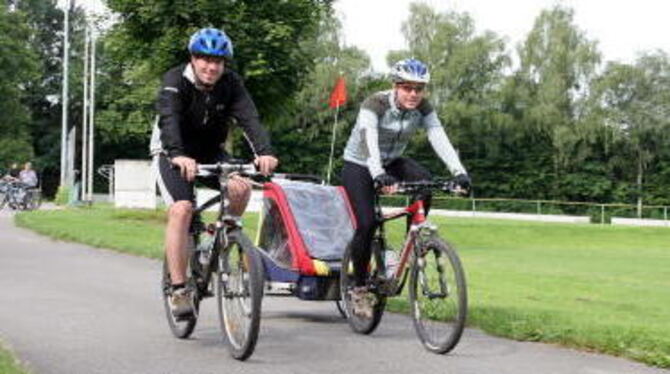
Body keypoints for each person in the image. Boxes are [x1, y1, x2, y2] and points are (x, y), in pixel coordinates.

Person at [150, 27, 278, 318]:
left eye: (218, 61)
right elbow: (168, 119)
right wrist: (178, 154)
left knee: (241, 187)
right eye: (205, 59)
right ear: (193, 59)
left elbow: (250, 118)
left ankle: (219, 242)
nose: (211, 67)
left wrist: (264, 151)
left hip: (209, 151)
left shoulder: (231, 83)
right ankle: (180, 289)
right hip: (172, 151)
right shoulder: (174, 80)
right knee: (182, 209)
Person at [341, 58, 471, 318]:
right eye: (407, 88)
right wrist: (378, 174)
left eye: (419, 88)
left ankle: (410, 247)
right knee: (367, 224)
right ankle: (359, 288)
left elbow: (438, 135)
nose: (414, 94)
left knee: (424, 181)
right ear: (395, 86)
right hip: (359, 164)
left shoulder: (422, 107)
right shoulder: (374, 104)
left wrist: (459, 172)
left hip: (392, 161)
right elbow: (369, 140)